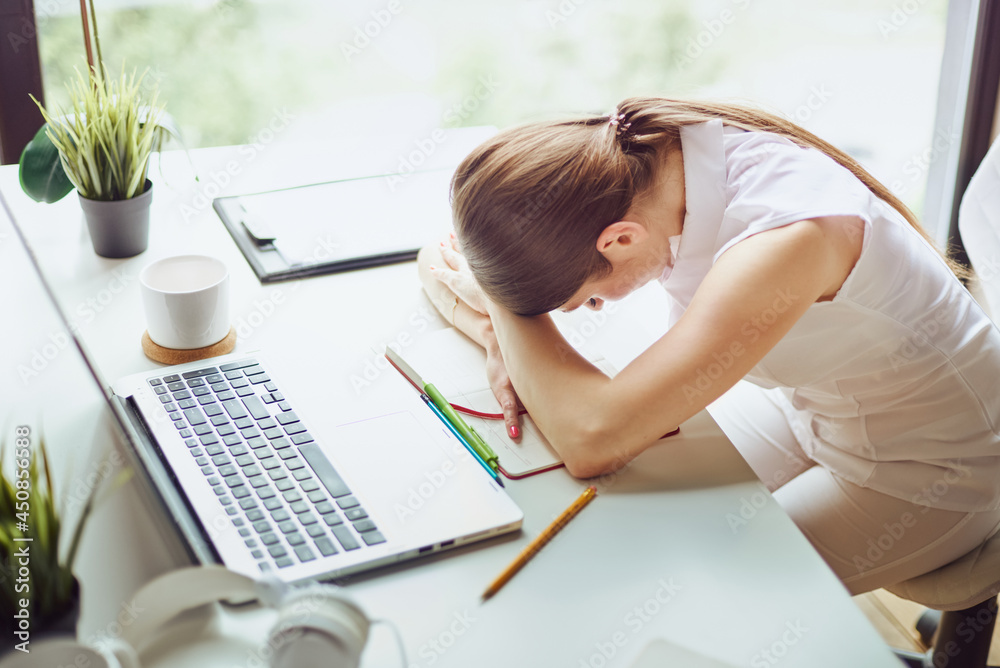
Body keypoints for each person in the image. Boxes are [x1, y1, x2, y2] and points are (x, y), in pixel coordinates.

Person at [416, 96, 1000, 594]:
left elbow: (593, 437)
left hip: (934, 467)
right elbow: (434, 257)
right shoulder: (644, 161)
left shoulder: (784, 241)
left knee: (683, 588)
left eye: (588, 300)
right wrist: (500, 329)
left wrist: (500, 305)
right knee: (612, 516)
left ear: (620, 238)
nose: (601, 307)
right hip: (815, 409)